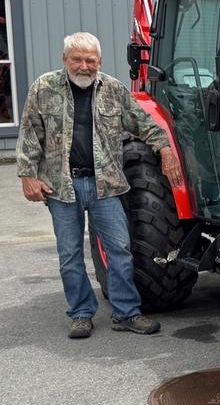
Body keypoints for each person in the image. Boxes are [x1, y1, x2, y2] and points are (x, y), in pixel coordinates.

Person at [16, 32, 184, 339]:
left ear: (100, 62)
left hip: (105, 185)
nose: (84, 66)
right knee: (70, 255)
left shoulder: (114, 90)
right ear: (64, 59)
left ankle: (126, 312)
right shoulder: (44, 88)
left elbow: (144, 123)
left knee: (120, 250)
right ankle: (81, 313)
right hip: (61, 187)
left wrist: (165, 149)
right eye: (77, 60)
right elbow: (29, 133)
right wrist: (27, 175)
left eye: (90, 60)